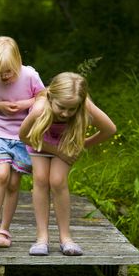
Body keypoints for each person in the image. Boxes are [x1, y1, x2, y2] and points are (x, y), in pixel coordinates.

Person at [19, 72, 116, 256]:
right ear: (50, 97)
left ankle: (66, 238)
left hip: (66, 143)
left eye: (72, 110)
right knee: (40, 179)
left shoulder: (83, 105)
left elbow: (109, 129)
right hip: (39, 140)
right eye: (61, 107)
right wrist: (57, 151)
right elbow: (24, 136)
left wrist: (83, 144)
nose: (66, 114)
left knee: (57, 181)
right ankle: (42, 238)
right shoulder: (40, 108)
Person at [0, 36, 46, 247]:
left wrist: (23, 104)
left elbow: (43, 97)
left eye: (9, 71)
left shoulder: (29, 75)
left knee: (14, 183)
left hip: (23, 135)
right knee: (1, 174)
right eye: (0, 73)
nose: (5, 76)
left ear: (17, 61)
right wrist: (0, 106)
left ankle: (4, 230)